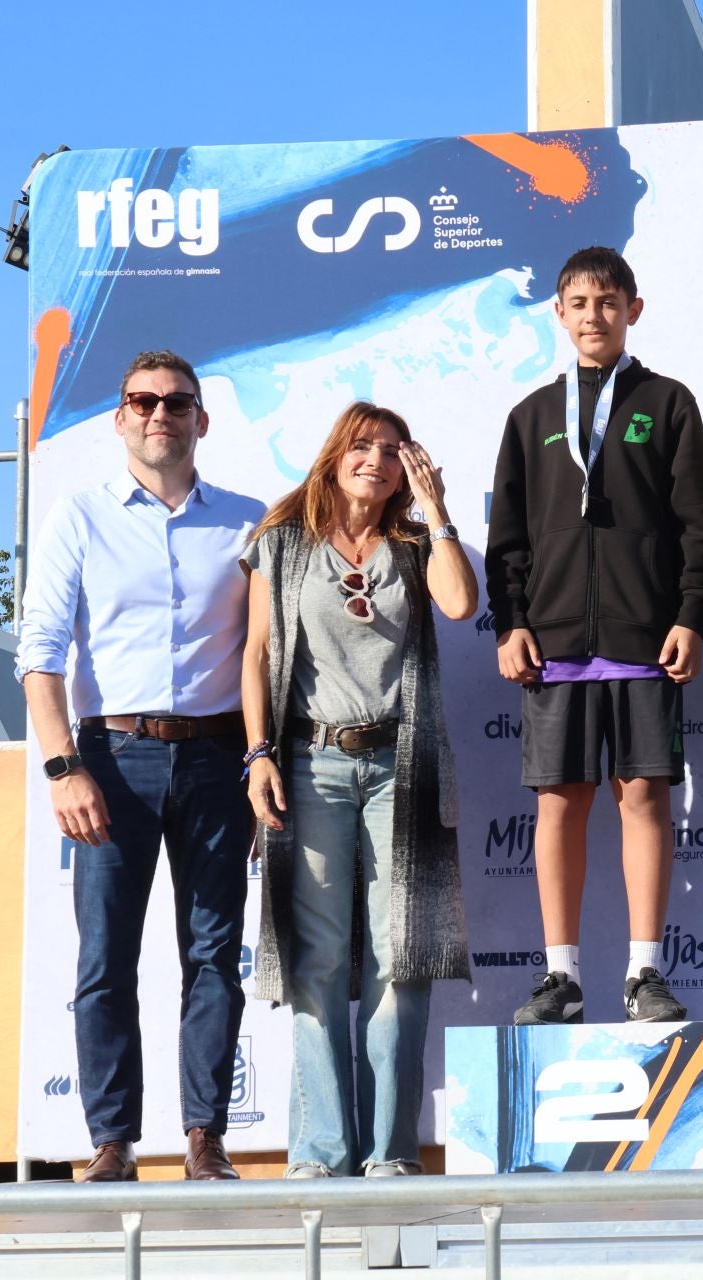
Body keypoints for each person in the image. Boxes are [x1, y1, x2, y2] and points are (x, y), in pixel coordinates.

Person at [16, 350, 264, 1181]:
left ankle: (205, 1139)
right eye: (142, 401)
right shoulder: (78, 517)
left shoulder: (247, 523)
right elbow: (40, 655)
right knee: (104, 961)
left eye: (176, 401)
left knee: (214, 954)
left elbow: (268, 660)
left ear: (202, 418)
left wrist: (263, 765)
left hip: (219, 760)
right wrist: (61, 768)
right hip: (109, 759)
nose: (160, 413)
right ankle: (112, 1143)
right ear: (120, 418)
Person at [485, 246, 703, 1025]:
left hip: (643, 637)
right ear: (559, 314)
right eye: (580, 303)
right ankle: (561, 977)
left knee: (645, 796)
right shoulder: (531, 417)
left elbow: (698, 526)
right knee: (559, 804)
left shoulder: (669, 402)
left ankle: (644, 974)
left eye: (609, 302)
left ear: (634, 310)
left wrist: (691, 614)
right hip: (554, 643)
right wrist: (512, 623)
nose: (595, 316)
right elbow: (509, 541)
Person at [239, 401, 476, 1178]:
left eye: (390, 449)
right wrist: (258, 755)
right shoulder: (280, 542)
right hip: (309, 765)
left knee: (400, 959)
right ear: (334, 453)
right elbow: (256, 655)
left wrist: (436, 509)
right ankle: (320, 1152)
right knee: (315, 962)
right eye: (361, 446)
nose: (374, 459)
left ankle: (390, 1153)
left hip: (400, 770)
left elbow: (461, 603)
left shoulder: (412, 543)